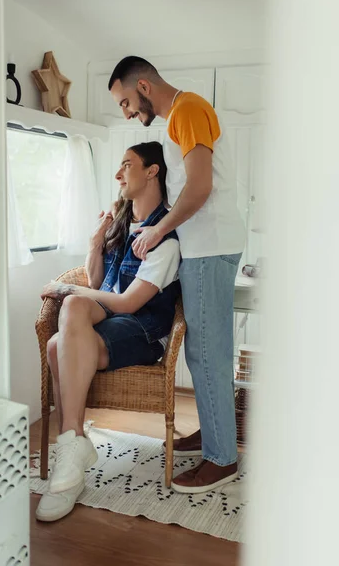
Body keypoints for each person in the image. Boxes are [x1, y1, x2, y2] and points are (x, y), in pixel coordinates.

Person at [108, 57, 246, 494]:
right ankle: (213, 434)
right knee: (204, 352)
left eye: (127, 101)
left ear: (144, 86)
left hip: (211, 247)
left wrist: (158, 229)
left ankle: (221, 458)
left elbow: (200, 186)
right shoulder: (181, 117)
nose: (127, 112)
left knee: (207, 354)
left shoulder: (186, 110)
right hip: (206, 245)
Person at [36, 141, 181, 521]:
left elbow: (131, 303)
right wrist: (95, 242)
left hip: (144, 331)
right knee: (59, 338)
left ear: (152, 172)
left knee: (63, 332)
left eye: (126, 165)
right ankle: (75, 442)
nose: (118, 175)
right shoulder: (123, 223)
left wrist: (70, 289)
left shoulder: (164, 238)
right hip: (112, 319)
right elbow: (99, 280)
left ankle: (70, 452)